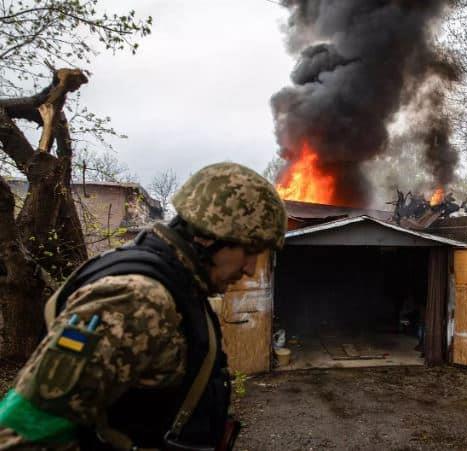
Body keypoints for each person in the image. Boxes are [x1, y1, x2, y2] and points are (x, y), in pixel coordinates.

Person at [0, 162, 287, 450]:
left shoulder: (179, 287)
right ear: (209, 236)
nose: (250, 268)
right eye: (249, 250)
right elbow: (22, 432)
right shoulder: (136, 299)